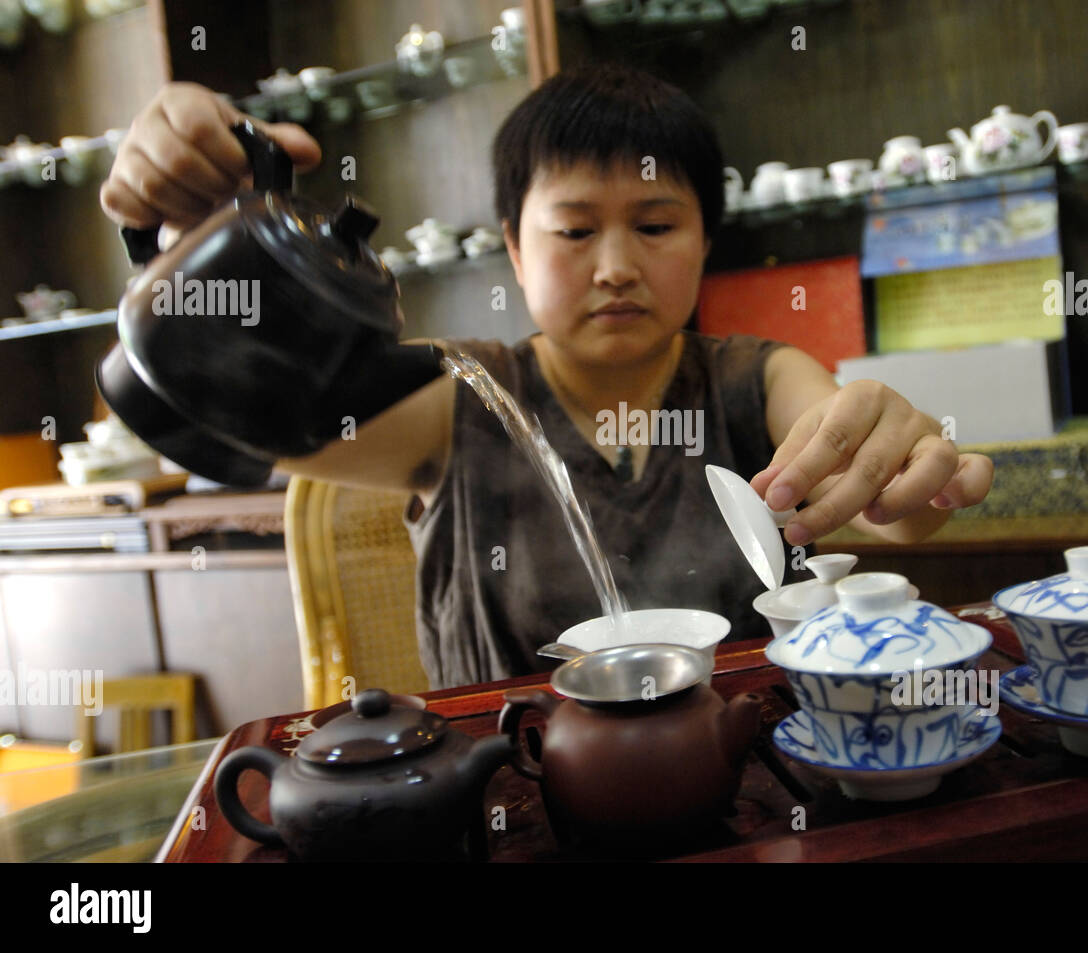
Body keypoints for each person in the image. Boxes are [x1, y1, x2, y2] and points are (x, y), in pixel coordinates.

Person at [100, 64, 993, 689]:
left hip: (741, 782)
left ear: (705, 242)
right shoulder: (455, 401)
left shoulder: (756, 381)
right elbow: (222, 421)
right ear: (514, 249)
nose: (616, 267)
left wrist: (906, 461)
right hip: (505, 791)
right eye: (573, 231)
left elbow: (893, 500)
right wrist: (184, 252)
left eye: (655, 226)